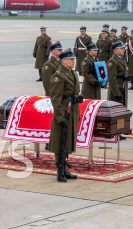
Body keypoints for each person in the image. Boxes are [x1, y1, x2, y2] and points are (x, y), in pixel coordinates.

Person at [48, 49, 81, 183]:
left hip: (72, 110)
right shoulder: (58, 76)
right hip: (63, 112)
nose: (73, 61)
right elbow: (56, 98)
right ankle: (59, 170)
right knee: (60, 142)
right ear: (63, 61)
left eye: (73, 59)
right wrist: (60, 116)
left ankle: (65, 168)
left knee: (67, 141)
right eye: (71, 59)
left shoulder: (72, 73)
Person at [107, 42, 129, 106]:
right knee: (115, 110)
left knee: (122, 110)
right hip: (116, 90)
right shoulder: (112, 61)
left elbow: (124, 70)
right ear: (116, 50)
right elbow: (112, 79)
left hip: (122, 87)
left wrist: (126, 75)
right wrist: (117, 93)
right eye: (121, 48)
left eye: (124, 48)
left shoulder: (121, 59)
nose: (124, 50)